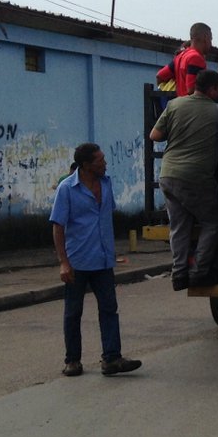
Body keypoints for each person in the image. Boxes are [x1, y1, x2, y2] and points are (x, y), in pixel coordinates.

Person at [150, 69, 218, 290]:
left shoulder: (175, 105)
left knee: (179, 225)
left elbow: (154, 135)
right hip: (195, 177)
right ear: (213, 89)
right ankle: (198, 273)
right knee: (212, 221)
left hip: (167, 175)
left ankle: (179, 275)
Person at [51, 143, 140, 377]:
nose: (105, 163)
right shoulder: (67, 189)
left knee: (109, 309)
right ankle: (73, 360)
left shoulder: (106, 184)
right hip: (77, 261)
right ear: (87, 165)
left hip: (103, 260)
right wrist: (63, 262)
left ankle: (112, 358)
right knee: (73, 312)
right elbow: (58, 227)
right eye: (100, 161)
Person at [156, 23, 214, 98]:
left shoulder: (180, 56)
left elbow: (159, 76)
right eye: (210, 39)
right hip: (192, 107)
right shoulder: (196, 58)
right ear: (205, 38)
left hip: (180, 104)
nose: (211, 44)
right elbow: (191, 90)